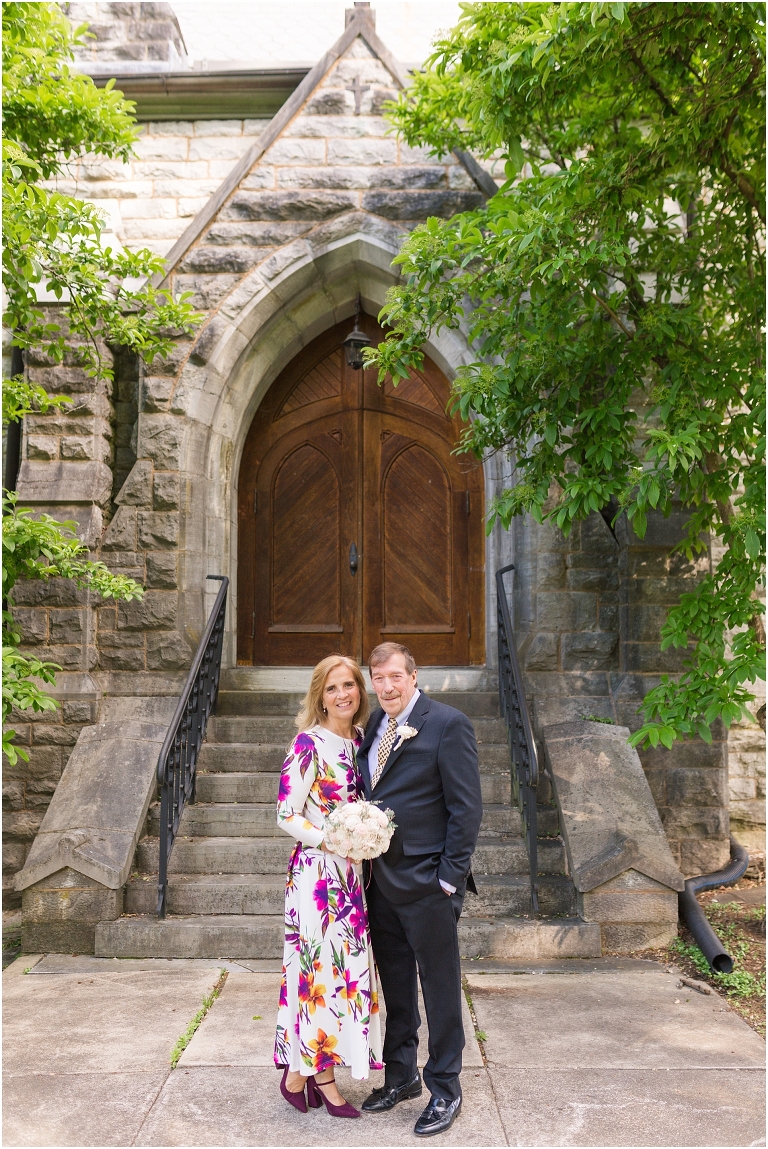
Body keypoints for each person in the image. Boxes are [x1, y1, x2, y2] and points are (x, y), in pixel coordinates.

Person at [357, 642, 482, 1137]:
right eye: (377, 678)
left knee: (440, 988)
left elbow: (466, 808)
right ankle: (401, 1076)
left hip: (430, 883)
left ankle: (445, 1088)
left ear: (413, 675)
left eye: (393, 677)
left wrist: (449, 877)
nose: (385, 687)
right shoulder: (373, 728)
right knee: (396, 985)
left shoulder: (447, 724)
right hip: (380, 881)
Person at [274, 655, 383, 1118]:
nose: (343, 695)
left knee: (346, 975)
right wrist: (333, 840)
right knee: (319, 974)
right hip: (318, 878)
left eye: (350, 686)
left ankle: (302, 1074)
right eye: (334, 687)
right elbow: (285, 813)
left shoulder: (361, 743)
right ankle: (320, 1078)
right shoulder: (308, 744)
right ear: (320, 695)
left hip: (353, 879)